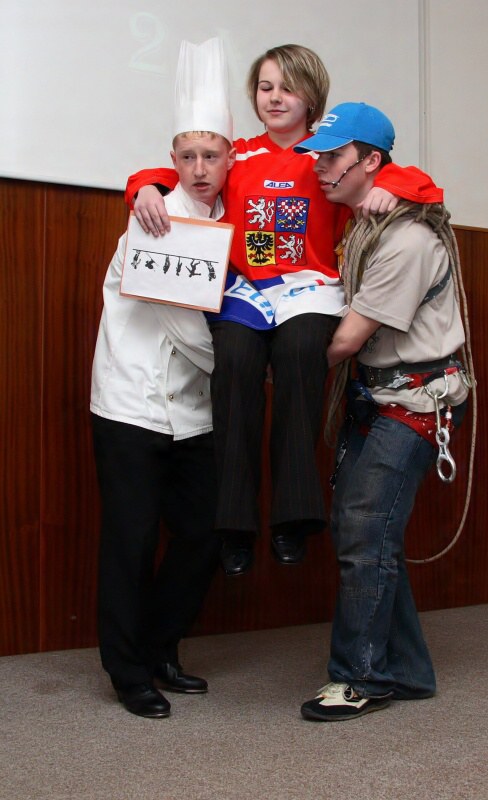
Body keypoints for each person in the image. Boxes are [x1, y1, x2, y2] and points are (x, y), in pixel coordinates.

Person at [126, 45, 443, 578]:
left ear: (312, 96)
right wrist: (144, 188)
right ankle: (233, 524)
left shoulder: (327, 157)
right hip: (247, 290)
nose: (274, 98)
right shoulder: (238, 154)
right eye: (265, 87)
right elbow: (173, 167)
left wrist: (390, 186)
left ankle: (293, 517)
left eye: (288, 87)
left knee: (301, 353)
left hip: (310, 288)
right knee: (233, 362)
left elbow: (418, 183)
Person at [292, 102, 470, 721]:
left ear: (371, 162)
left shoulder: (407, 238)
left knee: (365, 530)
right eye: (317, 156)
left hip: (416, 399)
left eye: (333, 157)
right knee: (362, 533)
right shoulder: (364, 223)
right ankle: (408, 671)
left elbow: (346, 339)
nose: (320, 168)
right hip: (376, 395)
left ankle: (362, 677)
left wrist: (278, 367)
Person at [91, 38, 236, 718]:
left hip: (195, 412)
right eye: (187, 156)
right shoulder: (148, 215)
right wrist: (248, 368)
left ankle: (160, 647)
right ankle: (128, 673)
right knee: (131, 541)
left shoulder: (235, 224)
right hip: (130, 403)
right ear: (172, 159)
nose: (199, 169)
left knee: (203, 533)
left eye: (212, 155)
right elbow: (184, 325)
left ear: (230, 158)